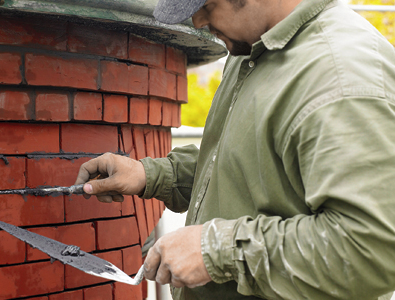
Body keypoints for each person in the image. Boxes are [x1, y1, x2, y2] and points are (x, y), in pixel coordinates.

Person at [74, 0, 395, 298]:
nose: (198, 20)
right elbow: (247, 164)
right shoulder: (250, 51)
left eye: (207, 4)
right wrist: (151, 174)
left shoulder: (341, 76)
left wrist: (215, 250)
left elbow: (372, 248)